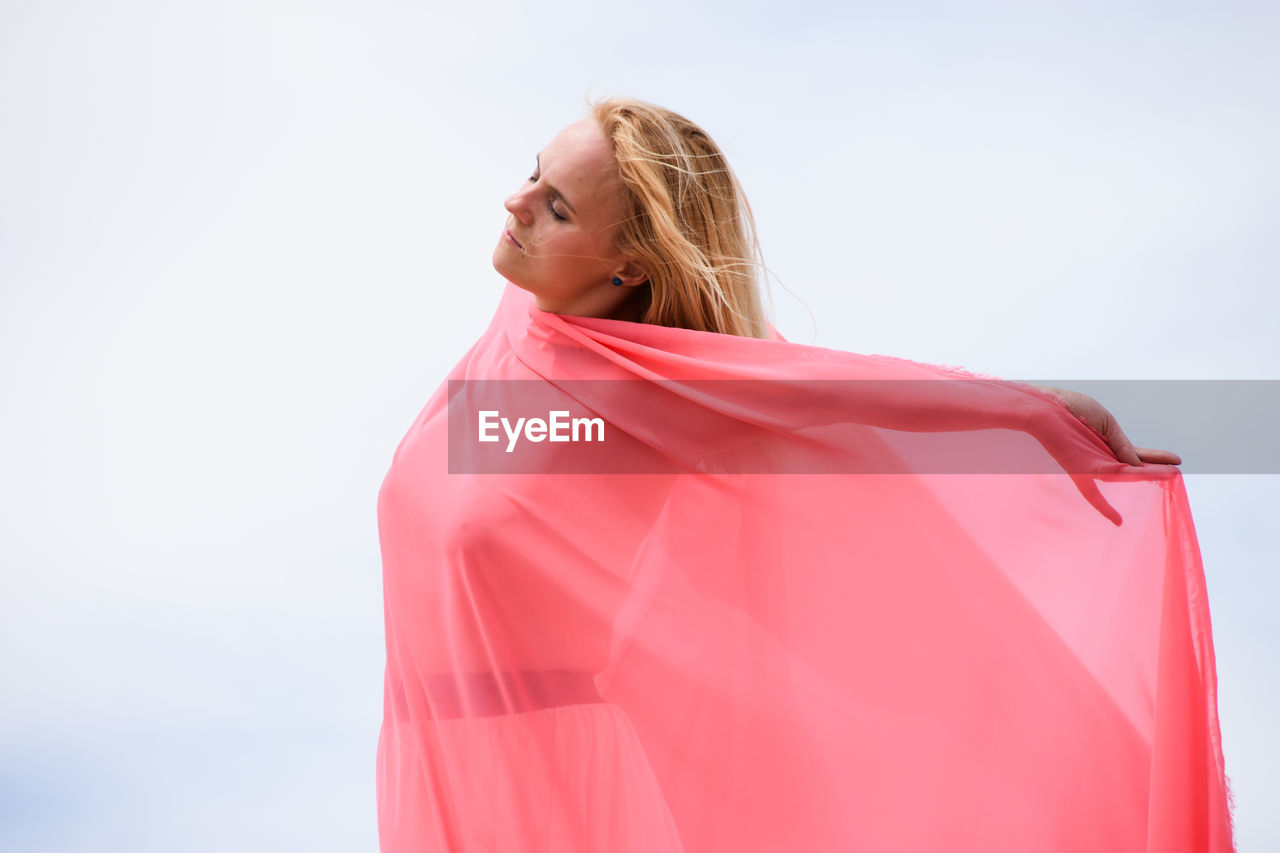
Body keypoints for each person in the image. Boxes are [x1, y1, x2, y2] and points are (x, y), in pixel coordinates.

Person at [376, 97, 1234, 851]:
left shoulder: (655, 395)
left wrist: (1033, 411)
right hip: (436, 758)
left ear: (628, 266)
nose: (515, 201)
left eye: (555, 205)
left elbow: (839, 391)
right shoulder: (516, 333)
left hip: (554, 785)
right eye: (533, 174)